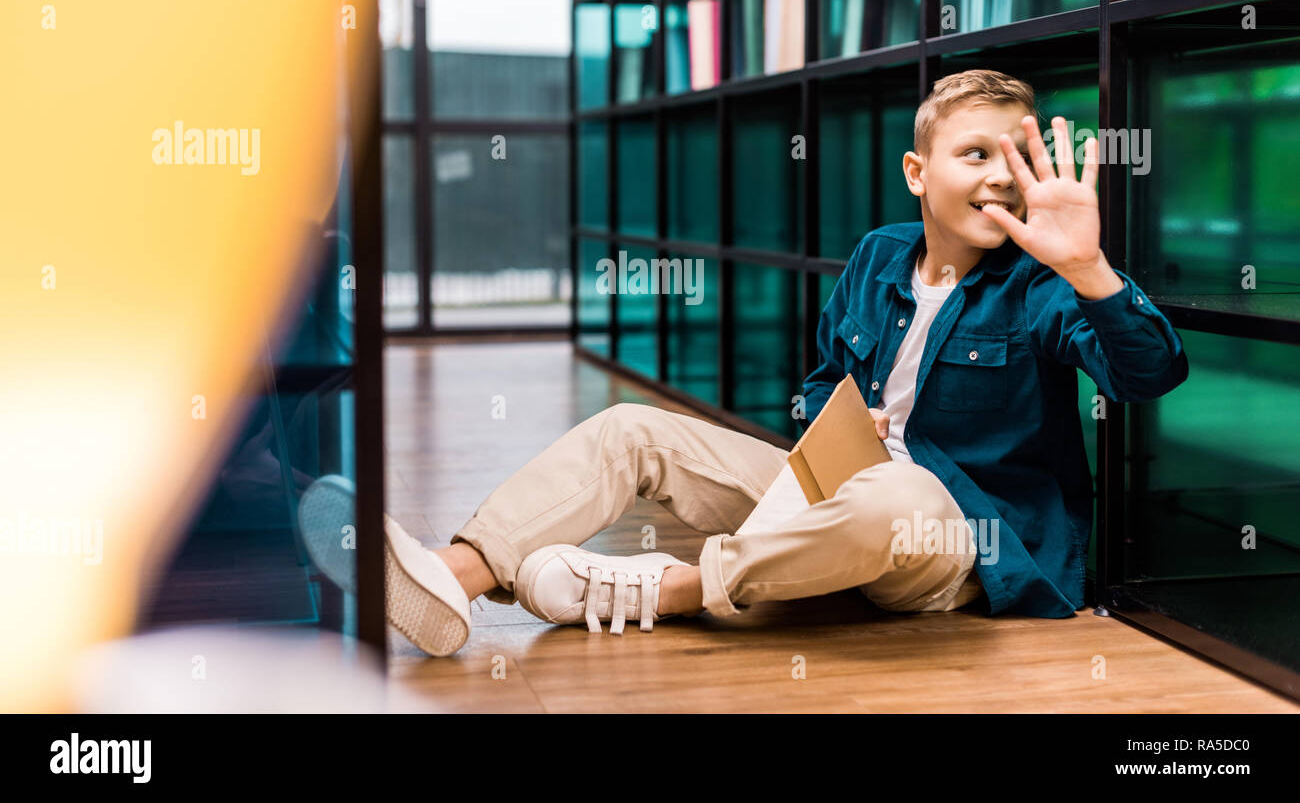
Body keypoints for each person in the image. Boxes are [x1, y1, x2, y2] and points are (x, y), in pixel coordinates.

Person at [375, 69, 1190, 657]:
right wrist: (834, 419)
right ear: (918, 173)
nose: (1001, 178)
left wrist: (1091, 270)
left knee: (892, 495)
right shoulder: (877, 257)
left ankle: (671, 587)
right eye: (975, 154)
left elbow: (1147, 373)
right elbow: (813, 389)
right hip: (830, 489)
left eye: (1016, 158)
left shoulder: (1046, 286)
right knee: (633, 429)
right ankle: (454, 577)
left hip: (956, 534)